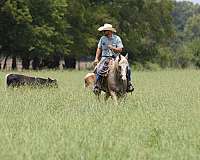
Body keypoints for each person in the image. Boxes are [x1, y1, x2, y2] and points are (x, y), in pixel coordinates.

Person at [93, 23, 134, 93]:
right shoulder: (102, 38)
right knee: (98, 69)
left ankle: (129, 84)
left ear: (109, 31)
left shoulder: (117, 38)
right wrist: (96, 58)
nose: (104, 32)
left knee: (128, 68)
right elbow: (99, 49)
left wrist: (112, 48)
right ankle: (97, 85)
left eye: (105, 30)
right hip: (105, 57)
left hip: (116, 57)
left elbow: (120, 49)